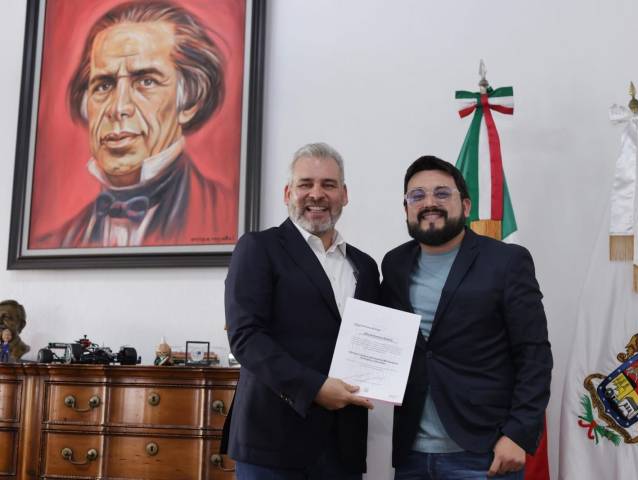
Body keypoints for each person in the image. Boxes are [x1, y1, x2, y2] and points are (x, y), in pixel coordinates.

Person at [381, 156, 552, 479]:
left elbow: (534, 354)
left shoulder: (506, 261)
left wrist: (518, 433)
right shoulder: (394, 264)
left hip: (483, 453)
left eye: (442, 193)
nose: (429, 203)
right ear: (406, 208)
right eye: (417, 196)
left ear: (466, 205)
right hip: (412, 456)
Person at [223, 143, 380, 479]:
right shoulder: (258, 248)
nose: (317, 194)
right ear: (288, 193)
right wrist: (314, 388)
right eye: (305, 184)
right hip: (271, 442)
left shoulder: (366, 267)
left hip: (343, 448)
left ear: (344, 195)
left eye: (328, 185)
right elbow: (246, 337)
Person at [35, 1, 233, 248]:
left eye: (146, 82)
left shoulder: (227, 214)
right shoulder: (56, 243)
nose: (118, 108)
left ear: (190, 102)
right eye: (104, 85)